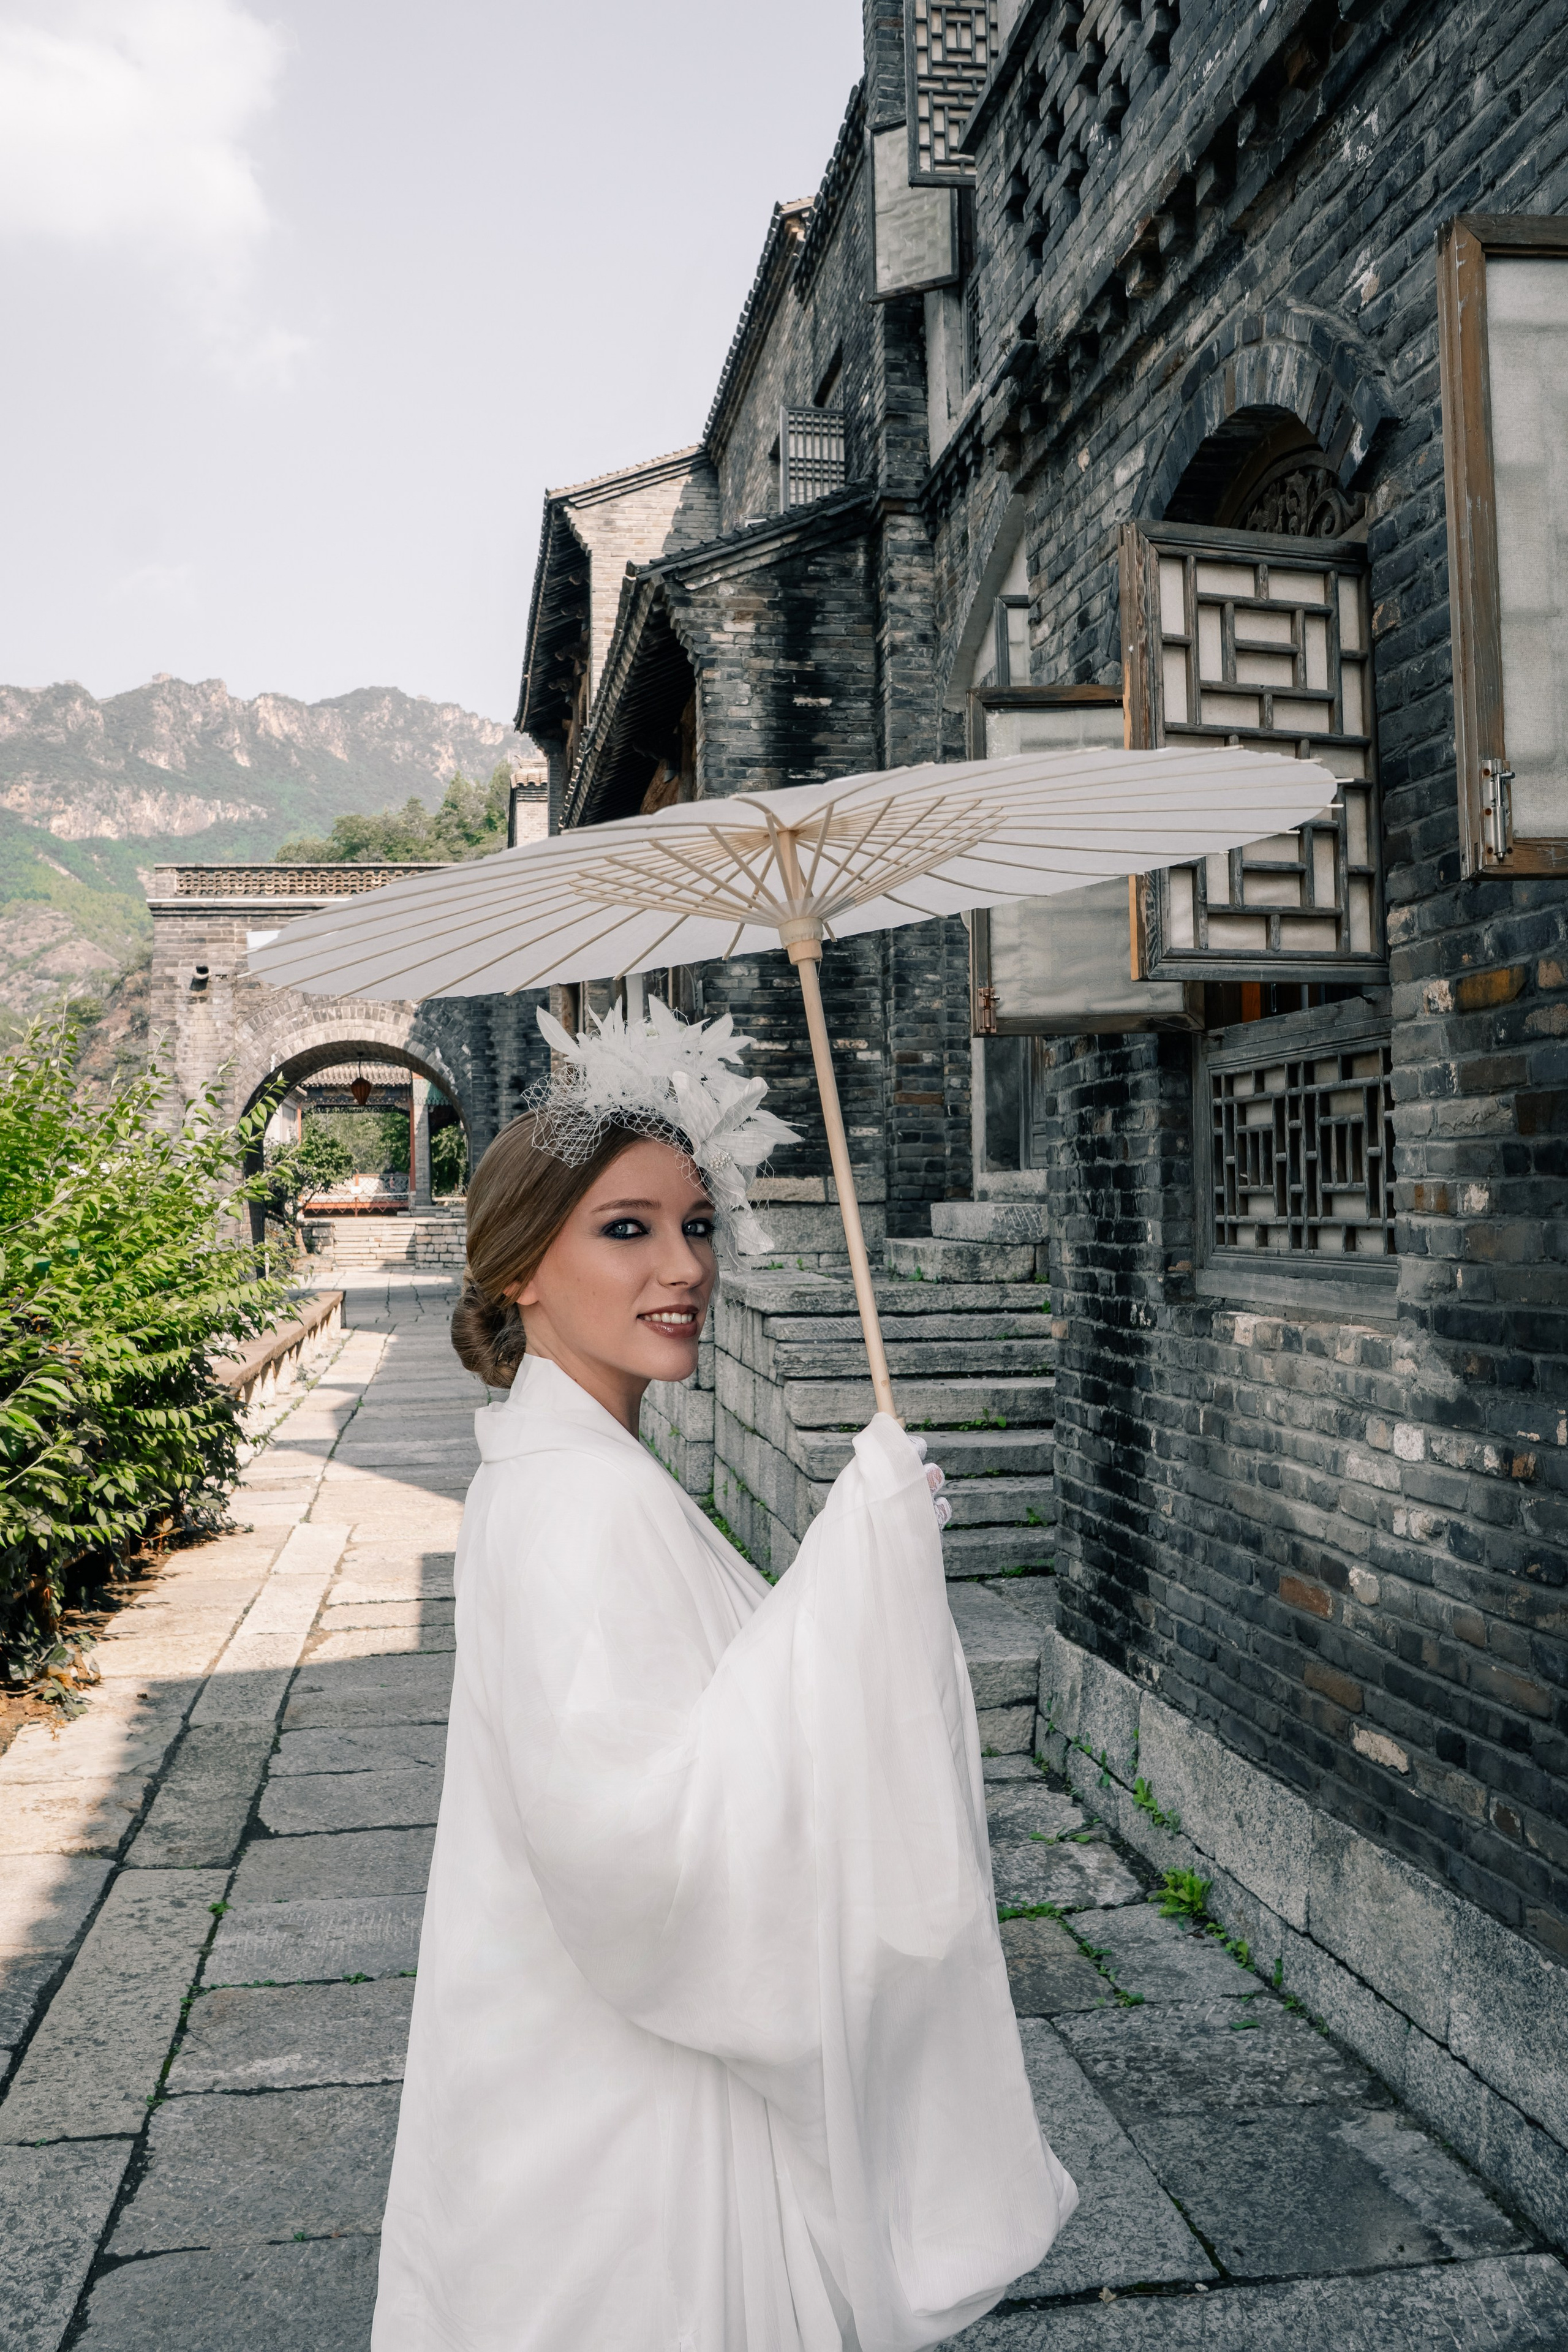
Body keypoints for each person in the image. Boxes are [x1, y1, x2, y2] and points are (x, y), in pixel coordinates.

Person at [372, 1003, 1076, 2352]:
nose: (680, 1264)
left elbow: (691, 1717)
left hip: (551, 2054)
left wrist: (859, 1561)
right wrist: (850, 1583)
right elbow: (639, 1843)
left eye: (694, 1224)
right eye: (623, 1229)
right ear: (522, 1268)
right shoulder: (578, 1501)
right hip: (626, 2107)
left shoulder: (566, 1466)